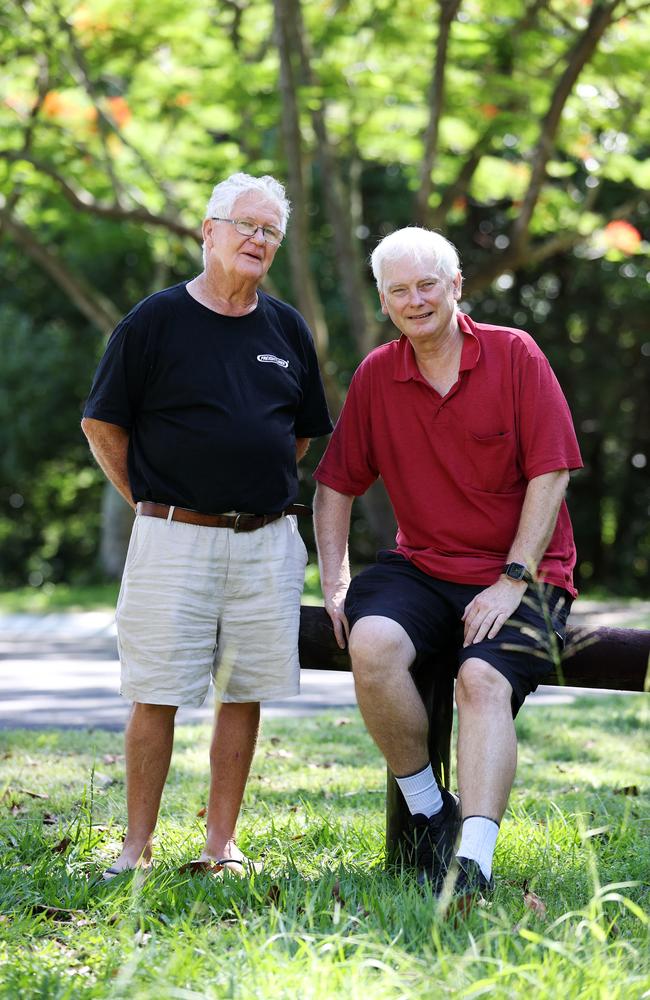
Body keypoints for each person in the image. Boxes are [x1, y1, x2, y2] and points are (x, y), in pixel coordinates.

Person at [313, 226, 582, 906]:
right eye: (399, 290)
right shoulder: (379, 374)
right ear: (383, 300)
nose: (415, 299)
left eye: (427, 284)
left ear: (456, 285)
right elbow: (335, 485)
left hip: (529, 570)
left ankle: (474, 862)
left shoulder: (515, 355)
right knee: (370, 644)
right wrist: (335, 580)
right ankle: (432, 814)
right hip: (424, 565)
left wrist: (512, 578)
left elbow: (552, 473)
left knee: (480, 678)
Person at [82, 172, 332, 878]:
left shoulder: (286, 329)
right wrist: (151, 502)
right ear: (209, 230)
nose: (258, 239)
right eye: (246, 225)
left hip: (265, 541)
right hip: (172, 537)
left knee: (244, 690)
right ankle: (136, 847)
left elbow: (300, 436)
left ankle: (221, 844)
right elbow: (102, 424)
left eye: (270, 231)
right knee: (155, 691)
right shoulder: (154, 321)